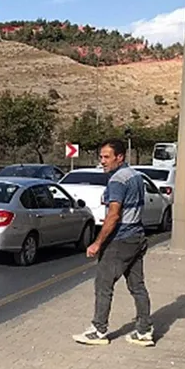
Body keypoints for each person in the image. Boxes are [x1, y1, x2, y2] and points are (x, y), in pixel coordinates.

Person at [72, 138, 154, 347]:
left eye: (107, 157)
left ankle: (99, 330)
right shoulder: (135, 176)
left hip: (120, 239)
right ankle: (144, 330)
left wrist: (98, 243)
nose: (103, 161)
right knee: (137, 285)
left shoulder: (117, 180)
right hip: (137, 236)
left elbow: (114, 215)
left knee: (103, 284)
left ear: (120, 157)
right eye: (101, 157)